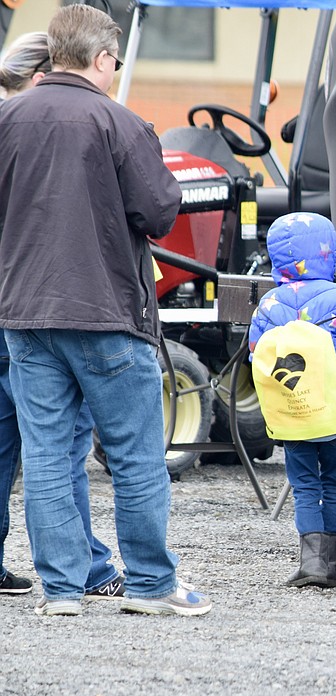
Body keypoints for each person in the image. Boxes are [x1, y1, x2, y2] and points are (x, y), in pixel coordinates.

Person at [0, 5, 207, 617]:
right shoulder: (121, 123)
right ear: (101, 59)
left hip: (24, 317)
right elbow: (160, 212)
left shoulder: (7, 119)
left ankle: (61, 591)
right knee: (135, 456)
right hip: (104, 313)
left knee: (44, 453)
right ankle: (150, 585)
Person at [0, 30, 126, 602]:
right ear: (43, 76)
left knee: (10, 441)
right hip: (36, 307)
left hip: (12, 303)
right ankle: (90, 568)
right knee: (63, 442)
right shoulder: (46, 125)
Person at [248, 212, 336, 588]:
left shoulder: (267, 307)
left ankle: (310, 562)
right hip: (335, 416)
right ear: (328, 253)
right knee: (334, 485)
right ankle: (331, 563)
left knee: (306, 485)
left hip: (294, 417)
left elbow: (255, 357)